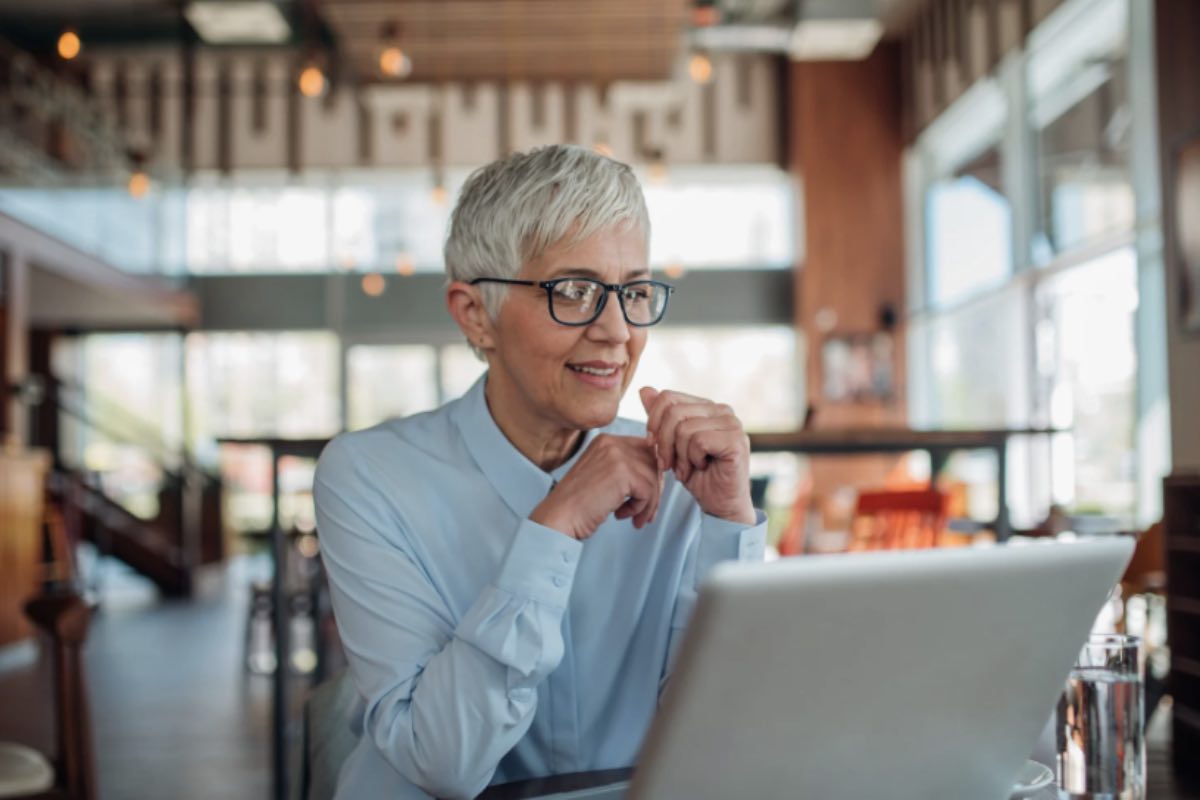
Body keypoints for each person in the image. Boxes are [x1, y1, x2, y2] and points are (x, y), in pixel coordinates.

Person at [313, 144, 767, 799]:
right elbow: (442, 763)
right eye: (575, 291)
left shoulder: (685, 476)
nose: (617, 331)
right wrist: (552, 527)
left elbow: (730, 739)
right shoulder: (369, 478)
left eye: (634, 291)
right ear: (476, 315)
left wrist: (731, 526)